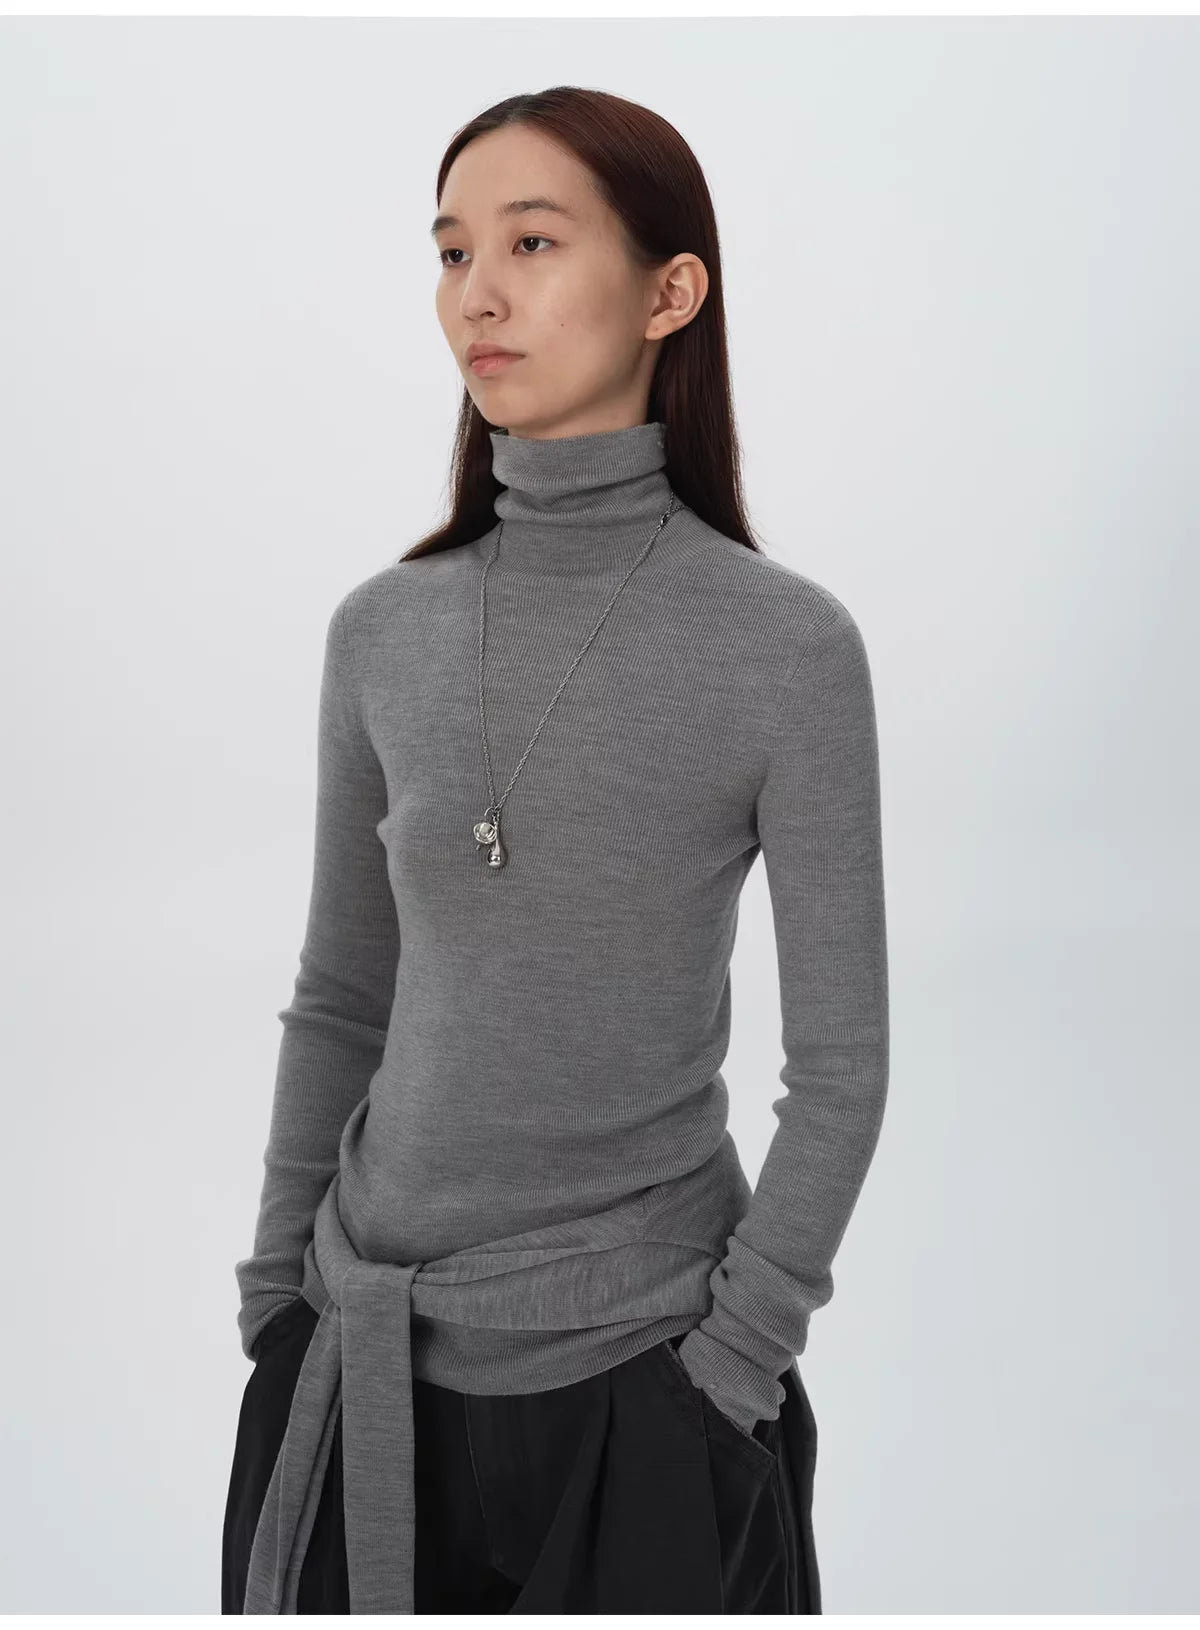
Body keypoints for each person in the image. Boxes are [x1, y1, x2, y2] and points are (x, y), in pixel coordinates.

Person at [222, 84, 889, 1616]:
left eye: (531, 241)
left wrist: (730, 1365)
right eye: (453, 250)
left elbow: (843, 1068)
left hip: (643, 1379)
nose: (478, 293)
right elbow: (343, 996)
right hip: (355, 1357)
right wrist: (274, 1304)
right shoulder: (383, 629)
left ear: (670, 291)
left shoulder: (785, 648)